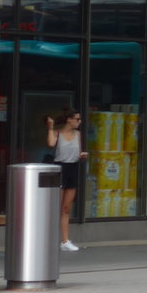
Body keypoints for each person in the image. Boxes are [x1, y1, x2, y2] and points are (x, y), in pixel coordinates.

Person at [46, 108, 87, 252]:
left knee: (66, 208)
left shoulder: (78, 135)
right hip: (60, 168)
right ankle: (48, 239)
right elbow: (51, 144)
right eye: (77, 119)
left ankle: (65, 241)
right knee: (55, 206)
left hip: (73, 168)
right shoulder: (57, 133)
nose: (79, 122)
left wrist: (82, 155)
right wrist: (50, 127)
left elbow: (78, 152)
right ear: (69, 120)